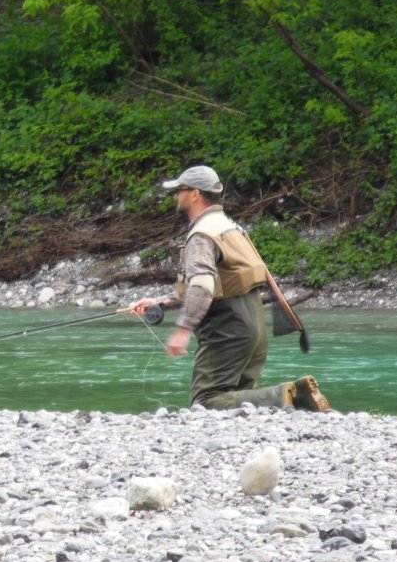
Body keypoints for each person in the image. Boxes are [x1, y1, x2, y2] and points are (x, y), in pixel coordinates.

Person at [129, 165, 331, 412]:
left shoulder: (202, 234)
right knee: (237, 401)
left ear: (195, 194)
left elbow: (203, 286)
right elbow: (220, 283)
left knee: (206, 401)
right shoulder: (228, 226)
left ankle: (289, 394)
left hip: (228, 328)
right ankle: (295, 400)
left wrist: (183, 329)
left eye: (180, 190)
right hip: (254, 327)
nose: (175, 195)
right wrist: (163, 302)